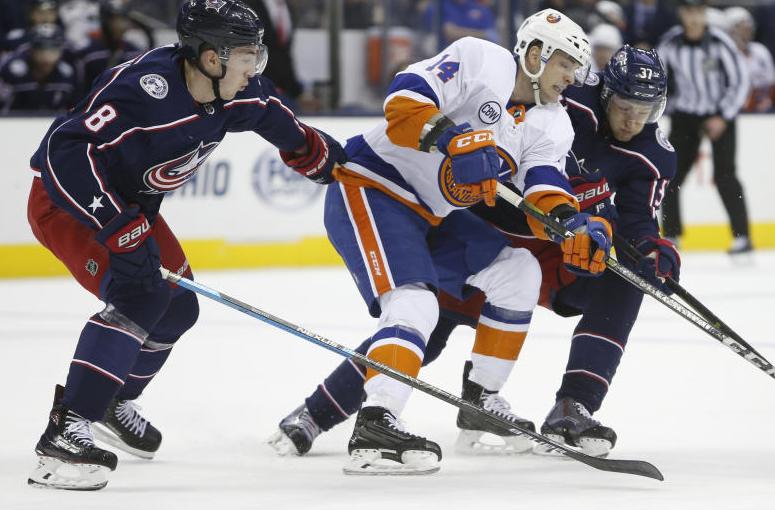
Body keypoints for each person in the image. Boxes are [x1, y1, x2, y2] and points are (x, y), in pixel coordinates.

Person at [268, 45, 676, 461]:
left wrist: (653, 250)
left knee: (627, 277)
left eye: (647, 109)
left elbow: (638, 219)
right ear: (605, 92)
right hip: (478, 222)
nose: (633, 119)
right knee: (425, 323)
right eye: (625, 105)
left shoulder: (651, 153)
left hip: (550, 242)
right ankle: (317, 413)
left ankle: (572, 405)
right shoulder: (562, 98)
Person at [25, 0, 346, 490]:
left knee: (178, 309)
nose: (253, 66)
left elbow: (268, 111)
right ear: (211, 57)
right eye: (246, 56)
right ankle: (65, 433)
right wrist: (116, 225)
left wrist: (309, 151)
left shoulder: (232, 89)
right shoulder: (140, 91)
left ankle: (111, 398)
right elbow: (63, 153)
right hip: (70, 203)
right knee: (140, 294)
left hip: (134, 209)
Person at [657, 0, 753, 257]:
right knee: (671, 177)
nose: (694, 17)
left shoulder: (721, 42)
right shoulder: (670, 44)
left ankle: (742, 237)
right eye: (689, 12)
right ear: (682, 14)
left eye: (699, 12)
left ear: (705, 13)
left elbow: (741, 81)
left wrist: (723, 115)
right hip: (686, 116)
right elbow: (660, 79)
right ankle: (673, 236)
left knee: (725, 175)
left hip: (720, 114)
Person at [73, 0, 145, 96]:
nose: (119, 26)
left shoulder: (136, 54)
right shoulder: (87, 55)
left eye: (123, 20)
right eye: (114, 20)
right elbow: (79, 93)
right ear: (103, 21)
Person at [0, 23, 77, 113]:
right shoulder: (12, 70)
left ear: (60, 51)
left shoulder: (66, 74)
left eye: (52, 50)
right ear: (32, 49)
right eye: (41, 49)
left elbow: (69, 109)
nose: (47, 56)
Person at [723, 6, 775, 113]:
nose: (748, 28)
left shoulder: (760, 50)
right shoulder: (724, 55)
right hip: (735, 109)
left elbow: (772, 83)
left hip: (764, 107)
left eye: (749, 24)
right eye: (742, 25)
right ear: (730, 30)